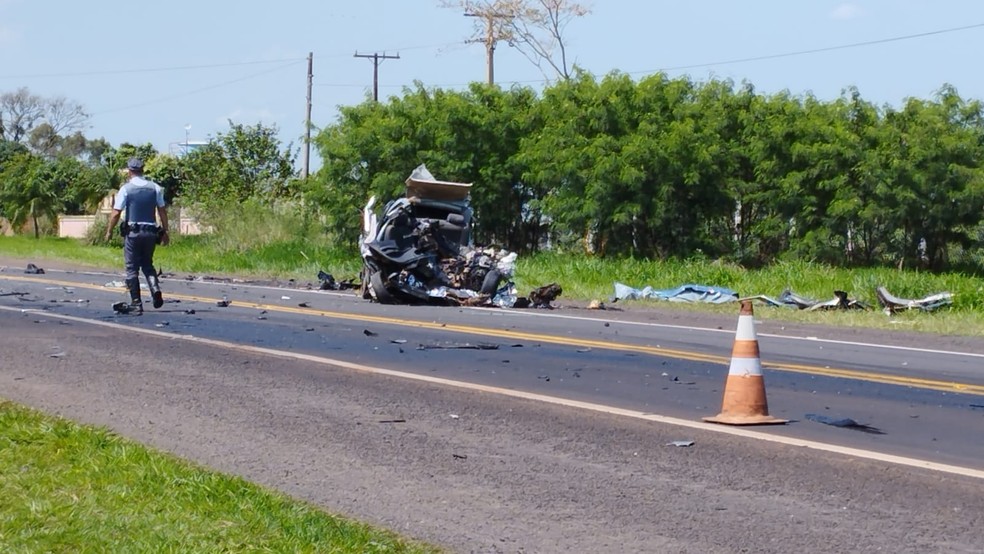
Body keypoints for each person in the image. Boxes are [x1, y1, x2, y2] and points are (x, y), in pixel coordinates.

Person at [104, 157, 170, 313]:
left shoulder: (126, 189)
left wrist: (109, 231)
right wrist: (166, 231)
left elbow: (115, 213)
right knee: (147, 264)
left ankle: (136, 303)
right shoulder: (155, 188)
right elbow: (162, 211)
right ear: (142, 170)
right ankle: (155, 291)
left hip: (133, 233)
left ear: (129, 171)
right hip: (151, 233)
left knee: (131, 268)